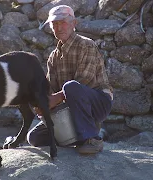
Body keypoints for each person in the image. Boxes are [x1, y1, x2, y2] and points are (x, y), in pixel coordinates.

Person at [27, 5, 113, 154]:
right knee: (34, 137)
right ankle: (78, 135)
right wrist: (43, 102)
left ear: (74, 23)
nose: (59, 27)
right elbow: (50, 89)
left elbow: (83, 81)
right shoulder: (53, 56)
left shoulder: (86, 45)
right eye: (55, 24)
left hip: (97, 103)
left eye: (63, 22)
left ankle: (93, 138)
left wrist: (56, 98)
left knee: (71, 86)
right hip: (69, 107)